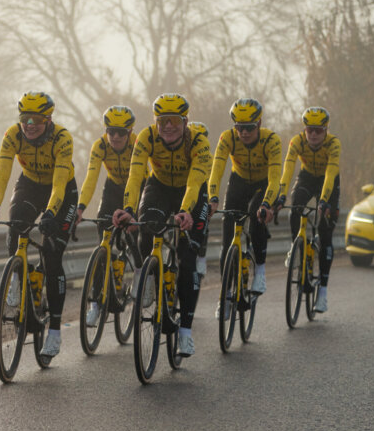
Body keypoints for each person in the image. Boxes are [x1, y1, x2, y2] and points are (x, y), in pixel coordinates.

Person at [0, 92, 78, 356]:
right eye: (24, 119)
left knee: (52, 258)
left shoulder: (62, 138)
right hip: (30, 185)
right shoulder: (13, 135)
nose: (30, 125)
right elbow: (2, 175)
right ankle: (18, 281)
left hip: (62, 191)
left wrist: (51, 214)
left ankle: (54, 331)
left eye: (36, 120)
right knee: (15, 227)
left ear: (49, 119)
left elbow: (58, 184)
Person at [112, 94, 212, 357]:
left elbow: (195, 181)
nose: (168, 126)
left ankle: (186, 332)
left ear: (185, 121)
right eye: (162, 121)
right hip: (158, 187)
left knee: (187, 260)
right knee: (147, 226)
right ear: (155, 121)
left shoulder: (199, 142)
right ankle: (149, 278)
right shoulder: (146, 137)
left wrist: (185, 210)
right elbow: (135, 178)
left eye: (174, 121)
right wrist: (129, 209)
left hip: (191, 192)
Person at [207, 98, 282, 319]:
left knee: (256, 214)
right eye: (239, 127)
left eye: (249, 127)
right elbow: (217, 169)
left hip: (263, 185)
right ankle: (225, 296)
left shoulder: (271, 140)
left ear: (258, 124)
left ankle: (259, 269)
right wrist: (213, 198)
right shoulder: (227, 138)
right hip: (238, 181)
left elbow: (275, 178)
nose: (244, 132)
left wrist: (267, 204)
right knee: (227, 238)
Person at [76, 105, 139, 327]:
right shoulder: (100, 146)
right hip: (112, 189)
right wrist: (81, 206)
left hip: (138, 188)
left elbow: (145, 176)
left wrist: (134, 212)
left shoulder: (138, 145)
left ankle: (140, 272)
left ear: (130, 132)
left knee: (136, 234)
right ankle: (96, 303)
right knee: (102, 245)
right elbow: (91, 177)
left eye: (121, 132)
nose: (115, 136)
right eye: (111, 131)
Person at [275, 106, 341, 313]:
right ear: (304, 130)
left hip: (328, 181)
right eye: (309, 130)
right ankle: (296, 247)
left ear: (326, 130)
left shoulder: (333, 144)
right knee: (295, 208)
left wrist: (323, 201)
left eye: (318, 130)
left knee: (325, 233)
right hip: (305, 178)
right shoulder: (297, 142)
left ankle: (322, 292)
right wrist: (281, 194)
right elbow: (287, 170)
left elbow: (331, 174)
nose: (313, 134)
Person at [188, 121, 210, 280]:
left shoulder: (207, 155)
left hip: (201, 188)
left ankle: (201, 256)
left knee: (203, 219)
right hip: (185, 188)